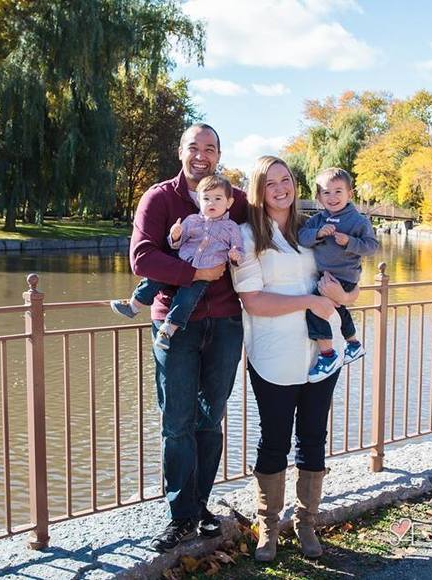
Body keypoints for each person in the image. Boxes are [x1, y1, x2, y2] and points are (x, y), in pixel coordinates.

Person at [231, 156, 359, 561]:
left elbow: (349, 280)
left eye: (285, 180)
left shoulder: (314, 227)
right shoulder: (247, 235)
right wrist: (310, 301)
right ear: (258, 190)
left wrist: (343, 296)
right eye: (270, 183)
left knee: (313, 437)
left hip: (322, 352)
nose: (280, 188)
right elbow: (252, 300)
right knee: (274, 441)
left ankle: (306, 524)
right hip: (274, 355)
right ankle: (268, 527)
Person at [129, 123, 247, 552]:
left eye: (210, 148)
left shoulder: (235, 199)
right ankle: (180, 516)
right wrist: (195, 273)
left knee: (210, 419)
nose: (202, 155)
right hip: (175, 327)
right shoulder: (160, 198)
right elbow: (142, 258)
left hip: (226, 323)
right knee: (177, 422)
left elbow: (270, 231)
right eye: (194, 147)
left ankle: (199, 506)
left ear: (219, 155)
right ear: (181, 151)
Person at [111, 174, 243, 351]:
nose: (211, 203)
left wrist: (235, 256)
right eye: (206, 199)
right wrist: (175, 235)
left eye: (218, 199)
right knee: (156, 279)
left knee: (187, 299)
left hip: (207, 270)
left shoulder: (232, 227)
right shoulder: (192, 220)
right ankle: (134, 305)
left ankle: (168, 329)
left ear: (229, 202)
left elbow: (238, 250)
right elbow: (177, 243)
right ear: (198, 201)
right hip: (182, 261)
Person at [299, 167, 379, 382]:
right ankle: (353, 344)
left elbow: (372, 247)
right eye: (326, 192)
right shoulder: (317, 220)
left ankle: (327, 355)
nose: (332, 197)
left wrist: (350, 242)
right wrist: (317, 234)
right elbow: (302, 237)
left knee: (315, 310)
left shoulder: (358, 221)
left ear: (349, 194)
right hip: (326, 277)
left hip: (344, 277)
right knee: (339, 310)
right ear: (318, 196)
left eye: (338, 191)